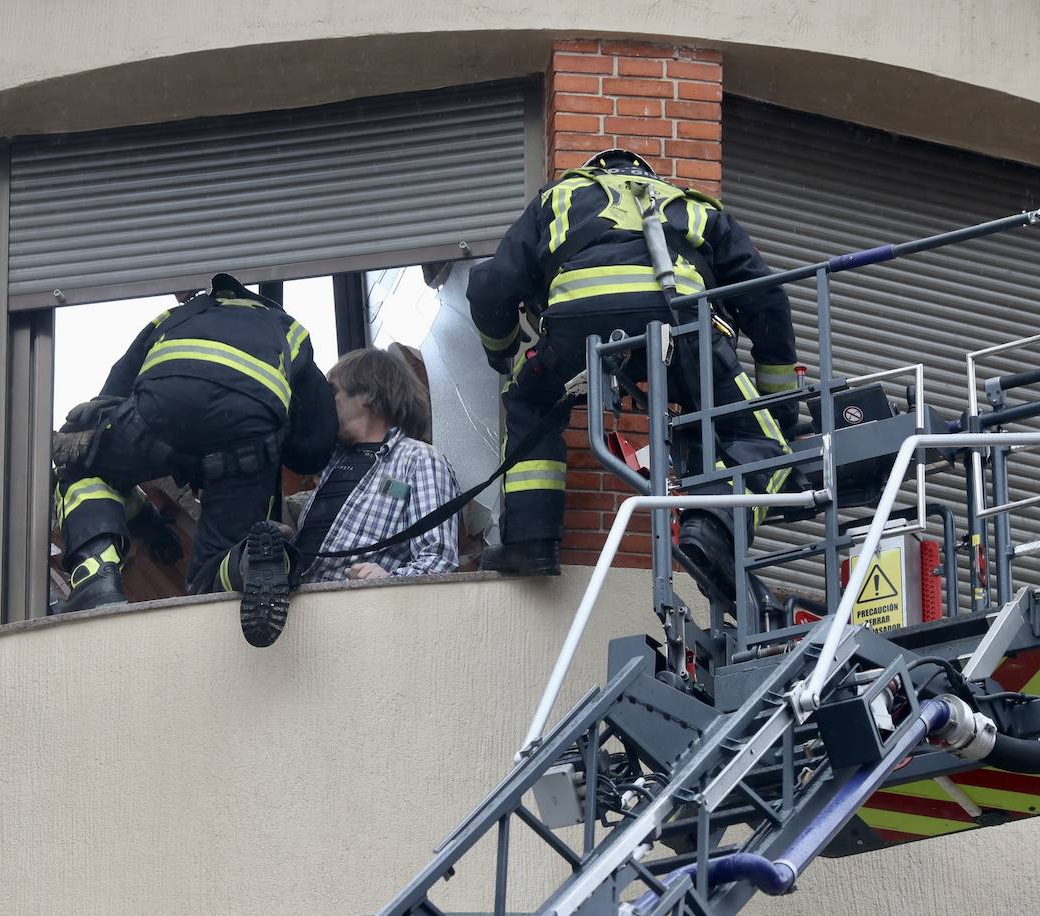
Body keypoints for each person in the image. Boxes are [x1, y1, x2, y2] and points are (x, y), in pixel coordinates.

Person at [466, 148, 798, 603]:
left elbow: (489, 286)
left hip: (578, 328)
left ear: (595, 171)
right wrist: (780, 406)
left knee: (528, 400)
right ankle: (713, 524)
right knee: (761, 439)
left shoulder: (559, 197)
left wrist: (500, 350)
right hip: (682, 328)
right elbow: (768, 301)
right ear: (648, 176)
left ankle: (530, 540)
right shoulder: (695, 207)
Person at [51, 273, 337, 612]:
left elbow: (109, 399)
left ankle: (96, 579)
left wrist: (97, 439)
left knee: (80, 467)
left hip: (159, 415)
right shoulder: (290, 329)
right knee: (212, 569)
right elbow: (315, 449)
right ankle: (248, 561)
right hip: (246, 441)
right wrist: (270, 445)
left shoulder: (175, 317)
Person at [214, 348, 461, 648]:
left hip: (355, 620)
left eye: (332, 392)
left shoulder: (419, 459)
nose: (325, 404)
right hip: (297, 615)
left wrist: (390, 579)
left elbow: (439, 560)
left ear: (368, 394)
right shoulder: (331, 463)